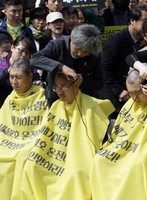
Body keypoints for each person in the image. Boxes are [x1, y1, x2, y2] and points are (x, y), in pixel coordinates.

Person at [89, 69, 147, 200]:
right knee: (100, 160)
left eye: (137, 93)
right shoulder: (129, 105)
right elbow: (118, 135)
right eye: (131, 93)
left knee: (136, 164)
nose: (134, 98)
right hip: (126, 148)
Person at [21, 71, 115, 200]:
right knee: (31, 166)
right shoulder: (56, 106)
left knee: (77, 174)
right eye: (56, 87)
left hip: (78, 157)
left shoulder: (91, 106)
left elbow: (93, 138)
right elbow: (47, 135)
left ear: (75, 85)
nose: (60, 91)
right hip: (54, 155)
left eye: (64, 86)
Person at [0, 58, 48, 200]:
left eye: (18, 77)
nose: (14, 82)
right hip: (8, 143)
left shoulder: (42, 96)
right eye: (11, 77)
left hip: (31, 145)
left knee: (24, 160)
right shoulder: (10, 98)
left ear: (30, 76)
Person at [30, 24, 103, 106]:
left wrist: (82, 82)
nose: (80, 54)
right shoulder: (57, 45)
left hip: (84, 101)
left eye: (86, 52)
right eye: (78, 48)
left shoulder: (96, 55)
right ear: (72, 38)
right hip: (56, 98)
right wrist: (61, 67)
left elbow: (100, 83)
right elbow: (34, 60)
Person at [98, 7, 147, 114]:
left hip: (136, 93)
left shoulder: (145, 40)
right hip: (116, 96)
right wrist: (118, 90)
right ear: (132, 21)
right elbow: (105, 69)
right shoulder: (115, 41)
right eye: (145, 21)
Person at [0, 35, 38, 107]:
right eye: (21, 50)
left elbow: (36, 79)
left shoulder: (30, 67)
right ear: (12, 48)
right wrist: (6, 72)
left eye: (27, 53)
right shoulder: (1, 64)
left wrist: (38, 83)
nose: (23, 55)